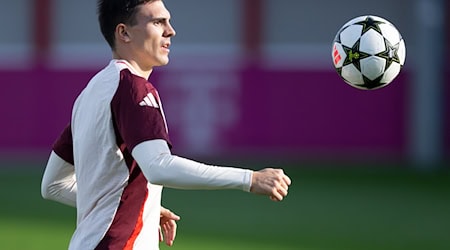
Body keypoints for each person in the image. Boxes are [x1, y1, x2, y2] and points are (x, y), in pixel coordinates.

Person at [41, 0, 291, 249]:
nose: (170, 31)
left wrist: (145, 204)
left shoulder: (90, 93)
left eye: (168, 21)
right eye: (158, 22)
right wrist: (249, 179)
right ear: (124, 32)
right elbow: (159, 166)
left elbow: (52, 185)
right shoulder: (133, 88)